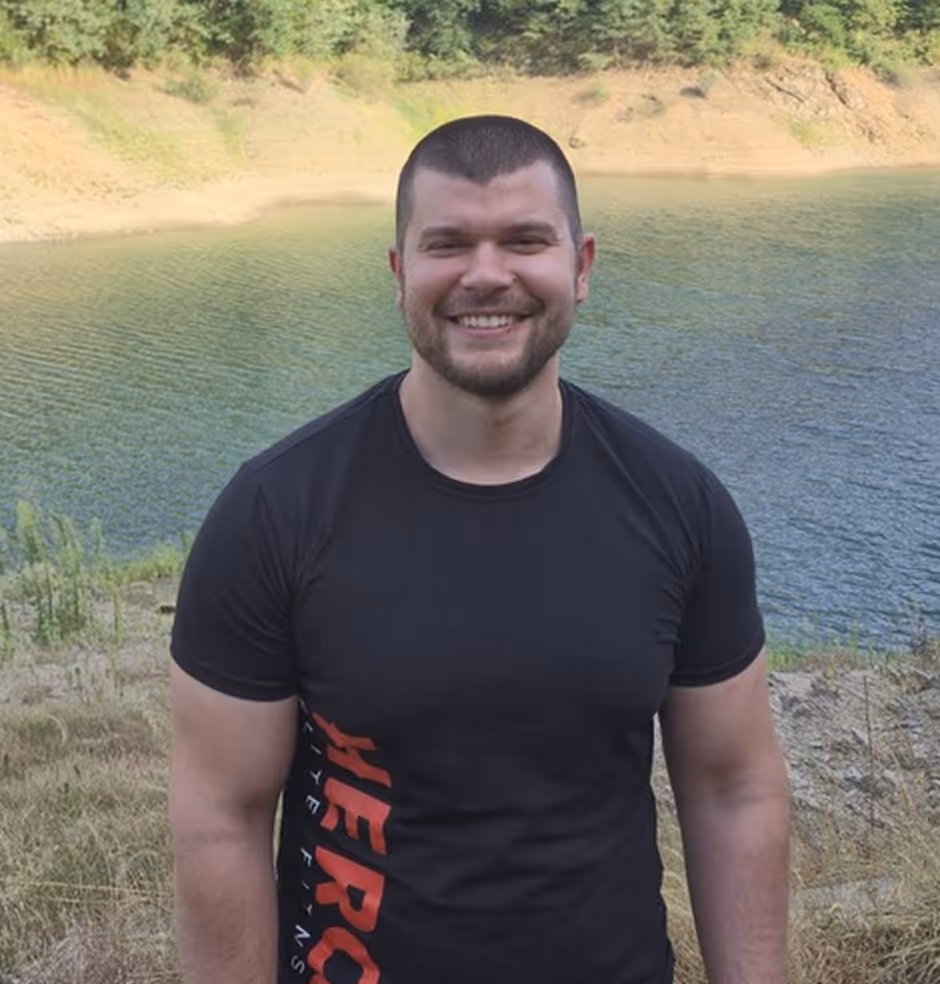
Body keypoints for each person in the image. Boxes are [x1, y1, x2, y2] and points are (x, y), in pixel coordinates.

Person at [169, 114, 790, 984]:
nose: (486, 274)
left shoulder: (681, 506)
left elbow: (733, 792)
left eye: (526, 240)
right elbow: (219, 818)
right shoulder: (275, 513)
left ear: (582, 266)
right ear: (399, 274)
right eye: (447, 243)